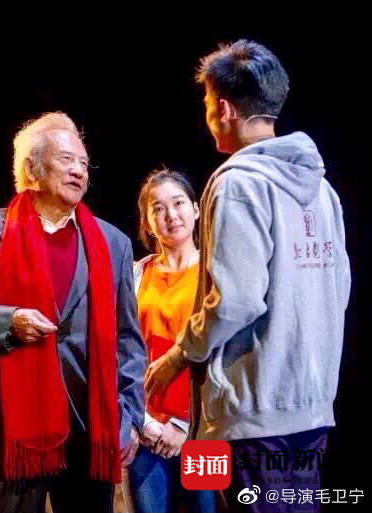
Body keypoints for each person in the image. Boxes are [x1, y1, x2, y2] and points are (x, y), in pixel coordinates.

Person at [145, 40, 351, 512]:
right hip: (310, 407)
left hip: (256, 413)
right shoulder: (322, 190)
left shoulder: (238, 183)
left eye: (206, 104)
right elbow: (338, 289)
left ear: (223, 108)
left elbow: (236, 300)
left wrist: (179, 355)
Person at [0, 112, 147, 513]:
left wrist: (132, 416)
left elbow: (129, 340)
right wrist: (8, 321)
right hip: (13, 426)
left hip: (91, 424)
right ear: (31, 168)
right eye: (67, 160)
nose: (79, 171)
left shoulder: (112, 243)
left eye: (84, 163)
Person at [124, 169, 216, 513]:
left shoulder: (215, 273)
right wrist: (144, 423)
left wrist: (183, 426)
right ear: (148, 223)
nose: (170, 215)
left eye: (178, 203)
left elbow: (223, 355)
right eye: (158, 209)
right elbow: (121, 354)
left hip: (203, 431)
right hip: (146, 433)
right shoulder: (136, 273)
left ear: (196, 209)